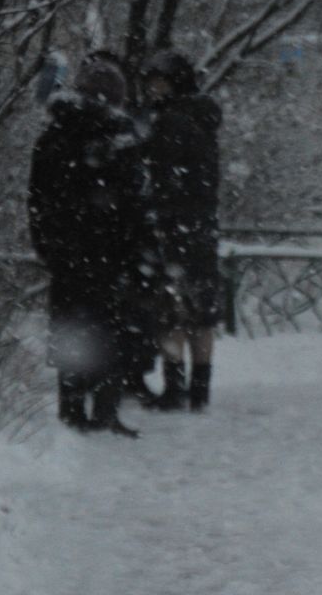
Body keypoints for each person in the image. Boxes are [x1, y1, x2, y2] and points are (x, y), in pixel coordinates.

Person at [28, 52, 154, 437]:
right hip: (110, 253)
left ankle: (71, 408)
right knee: (109, 329)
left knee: (71, 329)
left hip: (67, 251)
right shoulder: (120, 139)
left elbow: (38, 199)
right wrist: (136, 253)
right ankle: (104, 408)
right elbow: (135, 204)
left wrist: (47, 245)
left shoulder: (55, 134)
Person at [139, 49, 223, 411]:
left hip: (175, 227)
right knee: (201, 311)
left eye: (156, 82)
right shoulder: (202, 118)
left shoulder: (170, 122)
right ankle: (201, 390)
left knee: (172, 311)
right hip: (201, 226)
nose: (151, 90)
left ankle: (176, 387)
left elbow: (161, 179)